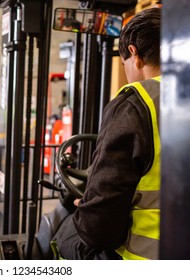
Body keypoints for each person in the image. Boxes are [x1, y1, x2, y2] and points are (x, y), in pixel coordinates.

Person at [52, 7, 161, 260]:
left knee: (65, 237)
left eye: (124, 65)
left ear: (134, 55)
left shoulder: (137, 103)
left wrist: (89, 211)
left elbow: (100, 232)